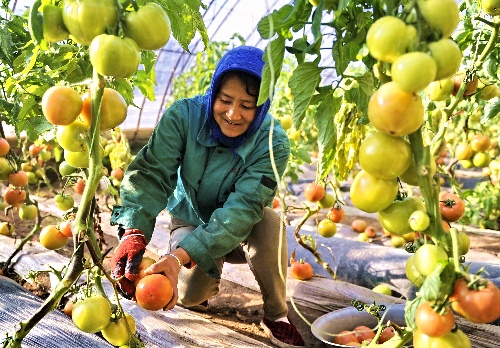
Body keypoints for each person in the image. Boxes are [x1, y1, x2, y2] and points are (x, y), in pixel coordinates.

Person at [109, 45, 305, 347]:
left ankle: (277, 314)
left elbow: (243, 210)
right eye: (225, 100)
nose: (232, 114)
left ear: (262, 105)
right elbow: (151, 174)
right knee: (188, 296)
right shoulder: (184, 117)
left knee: (270, 222)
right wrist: (133, 231)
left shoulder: (272, 142)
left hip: (243, 230)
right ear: (213, 92)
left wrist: (178, 256)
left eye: (247, 105)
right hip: (191, 221)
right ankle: (201, 281)